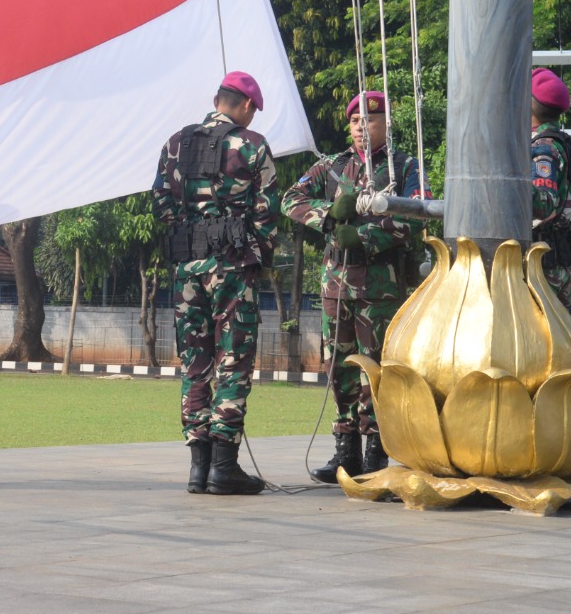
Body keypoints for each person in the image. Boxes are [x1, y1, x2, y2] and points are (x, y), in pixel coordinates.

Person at [282, 90, 425, 485]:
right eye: (357, 122)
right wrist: (327, 217)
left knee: (376, 369)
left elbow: (416, 216)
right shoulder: (331, 166)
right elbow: (290, 199)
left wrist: (362, 236)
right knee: (339, 368)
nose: (363, 128)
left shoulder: (404, 166)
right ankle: (346, 449)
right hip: (336, 286)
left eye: (371, 121)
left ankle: (377, 449)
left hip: (381, 287)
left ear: (386, 125)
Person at [151, 71, 279, 496]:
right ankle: (224, 466)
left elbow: (161, 204)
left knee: (195, 362)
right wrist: (254, 257)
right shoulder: (253, 145)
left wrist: (191, 239)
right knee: (234, 359)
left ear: (216, 99)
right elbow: (266, 213)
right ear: (245, 106)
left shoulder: (175, 143)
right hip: (232, 268)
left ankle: (197, 468)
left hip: (187, 269)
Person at [530, 68, 571, 314]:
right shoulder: (561, 141)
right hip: (557, 261)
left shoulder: (543, 147)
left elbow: (544, 203)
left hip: (543, 268)